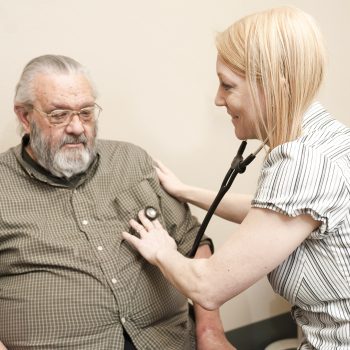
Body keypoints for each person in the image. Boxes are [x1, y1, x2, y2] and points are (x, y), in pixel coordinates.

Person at [122, 6, 350, 350]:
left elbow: (208, 287)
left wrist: (162, 250)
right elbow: (273, 215)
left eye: (228, 86)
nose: (218, 99)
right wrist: (187, 191)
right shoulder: (324, 134)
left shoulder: (303, 163)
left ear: (276, 86)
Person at [0, 55, 234, 350]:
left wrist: (210, 333)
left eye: (86, 113)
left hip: (168, 340)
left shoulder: (133, 161)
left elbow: (193, 241)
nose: (77, 127)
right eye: (59, 115)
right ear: (25, 116)